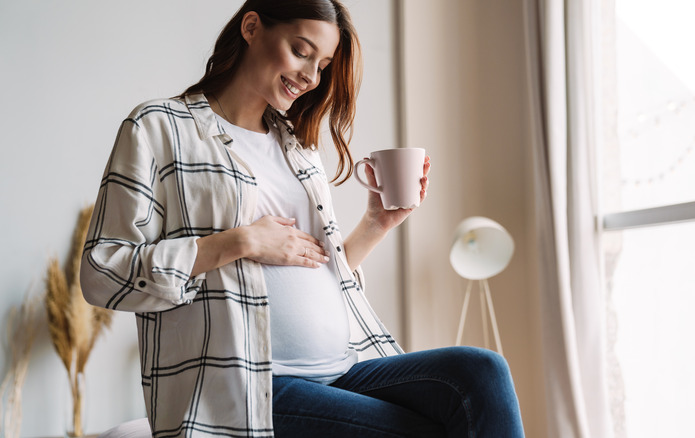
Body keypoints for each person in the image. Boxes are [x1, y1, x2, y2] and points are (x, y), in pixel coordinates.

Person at [80, 1, 525, 437]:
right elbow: (102, 272)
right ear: (252, 27)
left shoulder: (297, 148)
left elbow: (317, 270)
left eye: (323, 64)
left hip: (341, 369)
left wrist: (377, 224)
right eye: (301, 51)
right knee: (431, 429)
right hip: (251, 386)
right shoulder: (159, 128)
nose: (311, 77)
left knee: (481, 370)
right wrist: (239, 242)